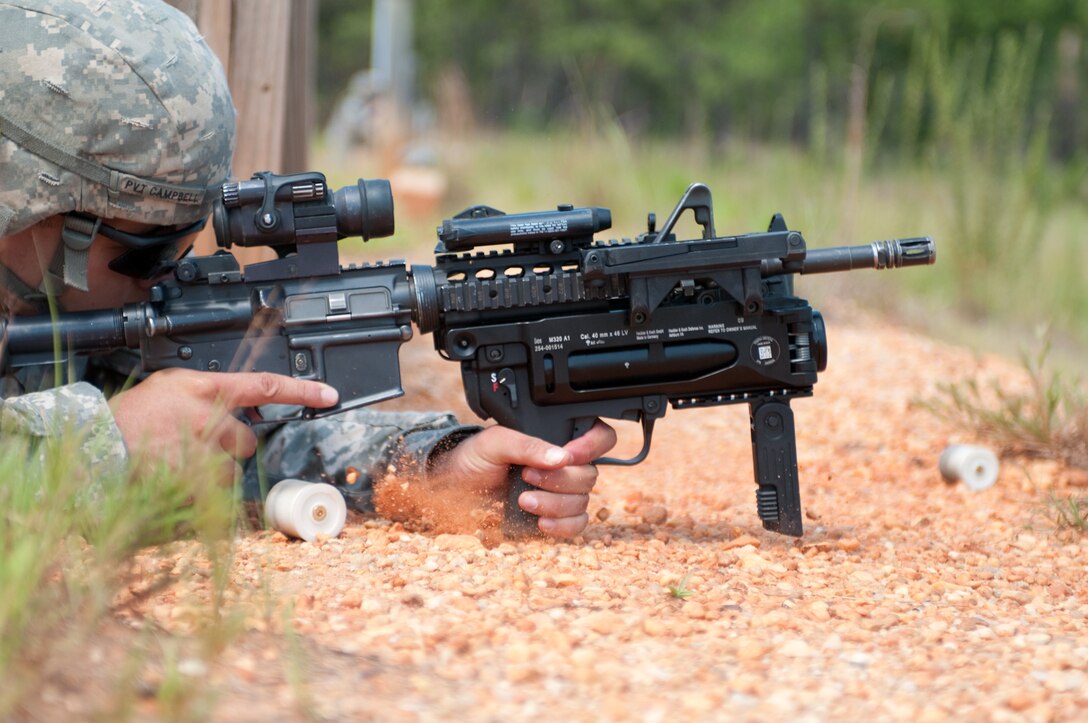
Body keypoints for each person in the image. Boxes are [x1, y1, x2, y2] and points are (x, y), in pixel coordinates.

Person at [0, 0, 616, 538]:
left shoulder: (64, 308)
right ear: (26, 203)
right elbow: (124, 437)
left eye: (185, 239)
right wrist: (101, 444)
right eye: (146, 247)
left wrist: (435, 468)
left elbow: (248, 444)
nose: (168, 271)